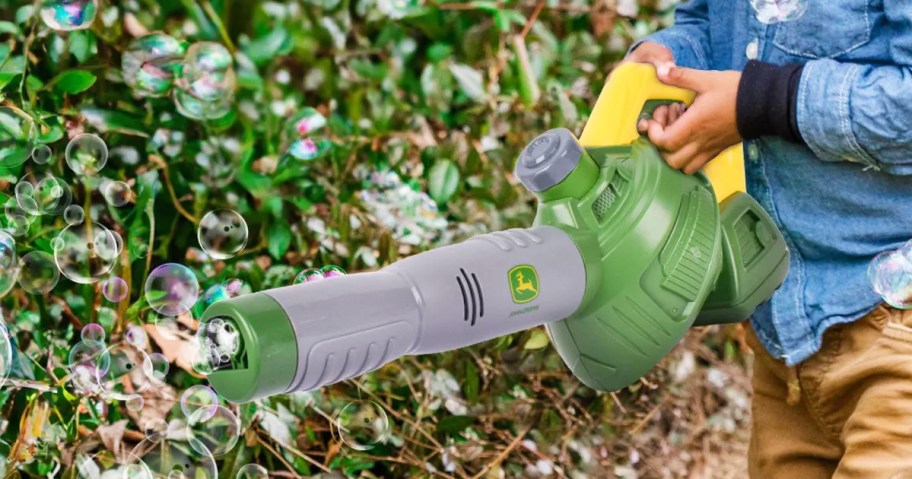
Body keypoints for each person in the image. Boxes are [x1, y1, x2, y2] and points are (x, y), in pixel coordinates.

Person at [623, 1, 912, 478]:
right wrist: (666, 62)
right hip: (785, 339)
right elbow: (704, 25)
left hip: (896, 332)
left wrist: (761, 101)